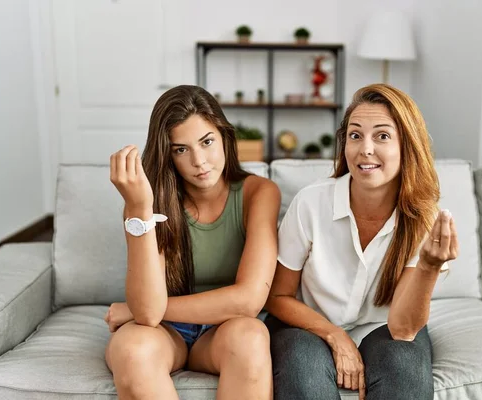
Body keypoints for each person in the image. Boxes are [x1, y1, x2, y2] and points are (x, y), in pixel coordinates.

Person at [264, 83, 458, 400]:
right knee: (303, 369)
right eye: (355, 135)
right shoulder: (311, 203)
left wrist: (429, 265)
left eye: (382, 136)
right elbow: (277, 296)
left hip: (383, 326)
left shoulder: (423, 218)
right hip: (308, 325)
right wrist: (334, 335)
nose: (365, 149)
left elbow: (403, 329)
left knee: (406, 369)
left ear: (407, 146)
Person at [104, 85, 281, 400]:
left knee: (251, 337)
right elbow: (147, 315)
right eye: (181, 149)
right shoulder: (147, 203)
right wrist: (139, 209)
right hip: (164, 331)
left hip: (222, 330)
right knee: (133, 351)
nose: (199, 161)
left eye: (207, 142)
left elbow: (249, 301)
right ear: (167, 154)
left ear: (224, 136)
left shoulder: (259, 193)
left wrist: (141, 310)